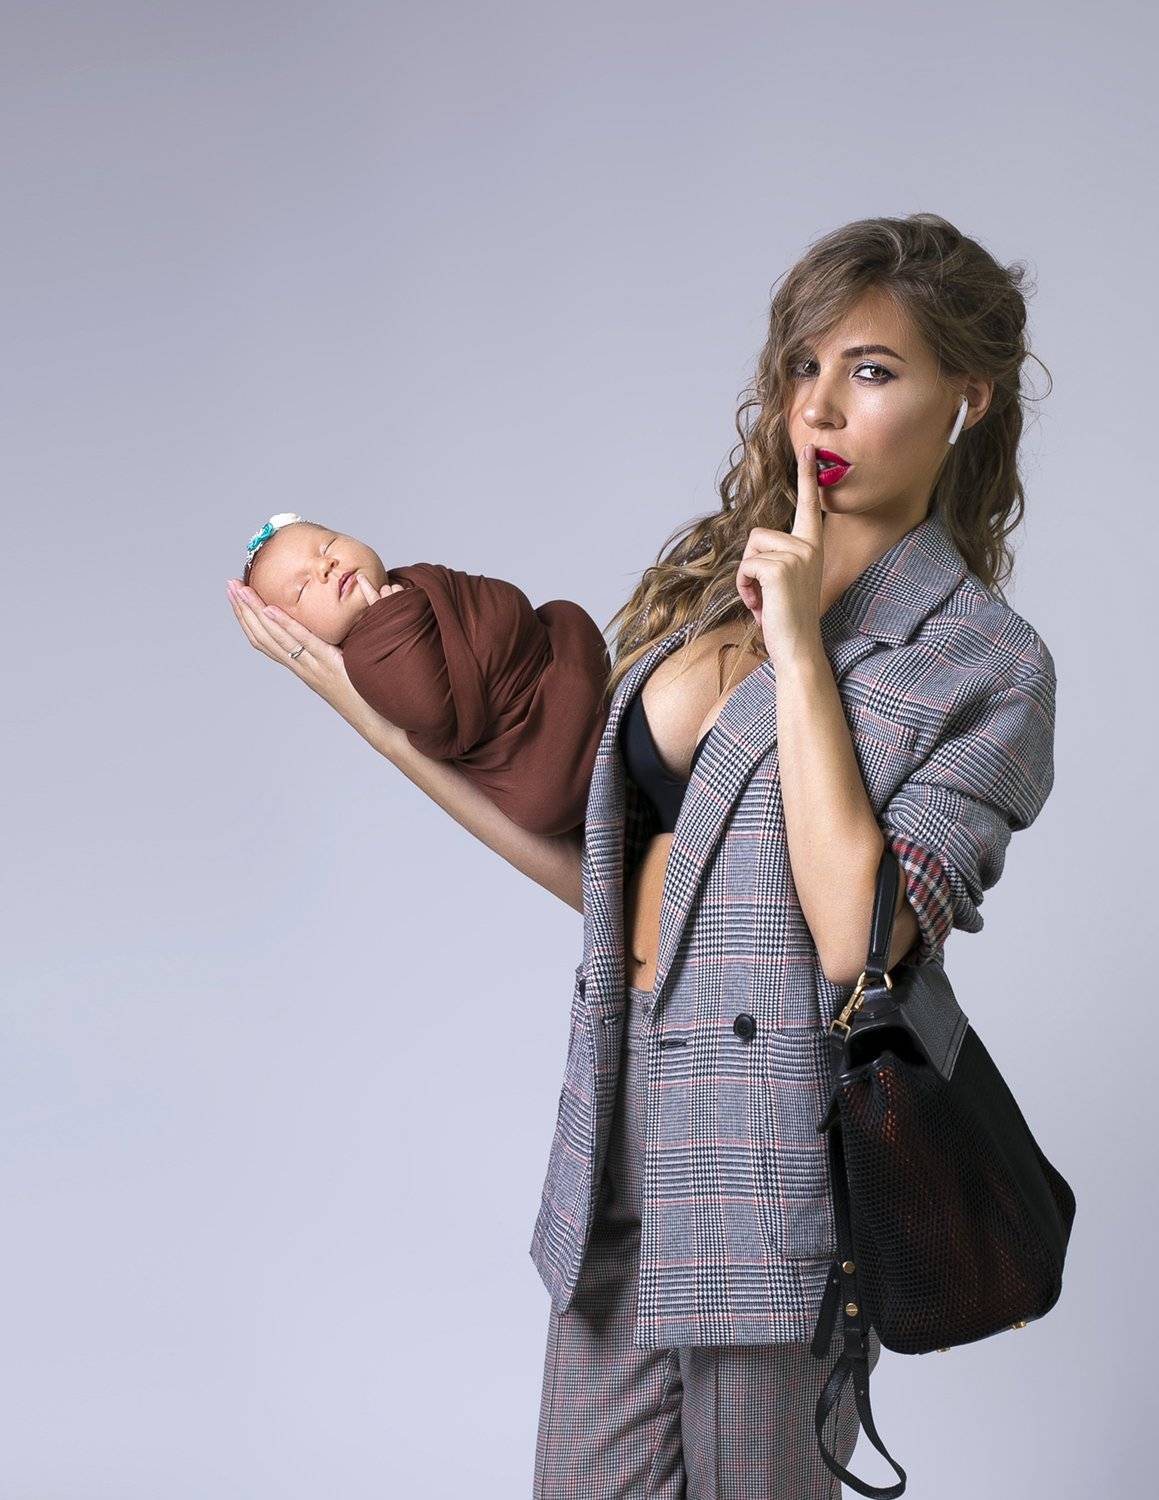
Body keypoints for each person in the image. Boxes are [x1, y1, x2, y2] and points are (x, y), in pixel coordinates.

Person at [226, 211, 1058, 1497]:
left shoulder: (982, 661)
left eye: (871, 371)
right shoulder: (713, 586)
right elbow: (609, 891)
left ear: (967, 396)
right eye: (803, 367)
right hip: (621, 1140)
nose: (819, 408)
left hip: (782, 1174)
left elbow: (857, 940)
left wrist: (799, 649)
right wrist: (376, 722)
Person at [236, 513, 611, 838]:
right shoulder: (367, 657)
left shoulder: (411, 580)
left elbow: (489, 605)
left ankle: (591, 714)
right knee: (566, 622)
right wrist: (393, 621)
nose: (325, 566)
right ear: (301, 634)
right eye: (302, 588)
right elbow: (431, 713)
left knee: (563, 615)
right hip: (534, 759)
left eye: (327, 545)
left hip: (545, 668)